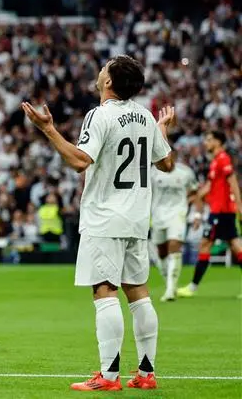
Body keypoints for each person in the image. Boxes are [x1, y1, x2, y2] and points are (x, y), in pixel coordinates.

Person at [22, 55, 175, 391]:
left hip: (105, 217)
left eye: (105, 67)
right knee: (138, 293)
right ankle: (147, 374)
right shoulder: (146, 116)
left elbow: (79, 161)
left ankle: (108, 377)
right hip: (137, 218)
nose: (100, 70)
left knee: (104, 291)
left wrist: (47, 129)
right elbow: (167, 163)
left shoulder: (100, 115)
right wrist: (161, 130)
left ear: (108, 82)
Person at [177, 130, 242, 298]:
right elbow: (210, 187)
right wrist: (194, 197)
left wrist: (240, 207)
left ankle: (192, 287)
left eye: (209, 139)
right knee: (235, 246)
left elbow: (233, 182)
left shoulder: (223, 159)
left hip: (221, 212)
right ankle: (192, 287)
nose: (206, 142)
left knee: (206, 244)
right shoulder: (215, 162)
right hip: (220, 211)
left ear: (218, 142)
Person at [150, 150, 198, 302]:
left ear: (175, 158)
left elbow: (195, 192)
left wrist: (196, 214)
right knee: (162, 252)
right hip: (157, 215)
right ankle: (169, 284)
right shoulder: (152, 173)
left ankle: (171, 288)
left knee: (174, 246)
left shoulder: (185, 172)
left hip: (177, 215)